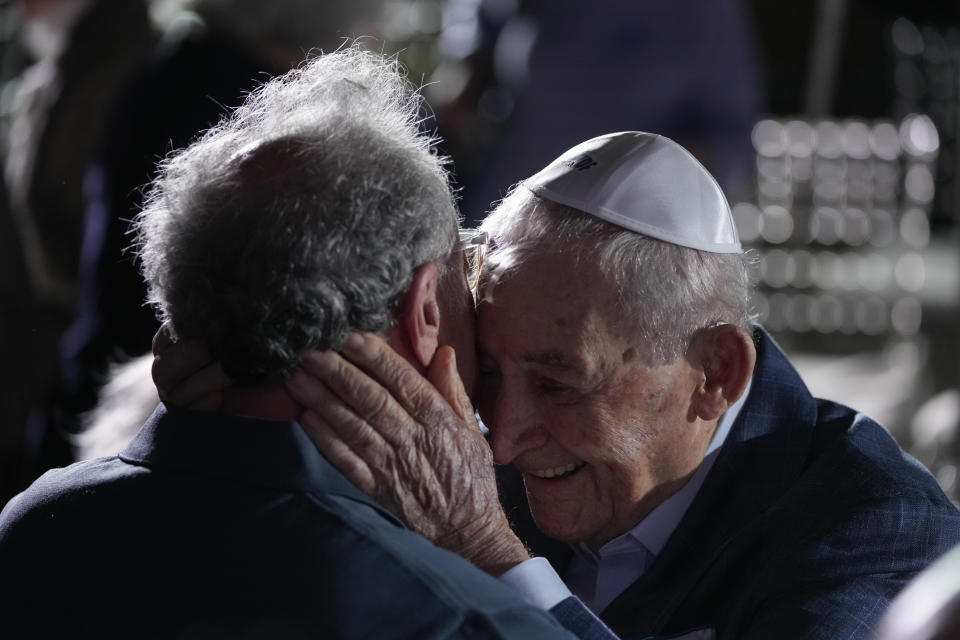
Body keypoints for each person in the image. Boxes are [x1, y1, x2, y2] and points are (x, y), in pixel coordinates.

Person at [0, 47, 613, 638]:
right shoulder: (461, 619)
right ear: (425, 309)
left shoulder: (29, 529)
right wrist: (484, 548)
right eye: (466, 277)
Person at [282, 131, 960, 639]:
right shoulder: (481, 448)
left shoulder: (878, 530)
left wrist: (487, 555)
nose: (503, 439)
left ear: (715, 374)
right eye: (489, 371)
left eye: (557, 385)